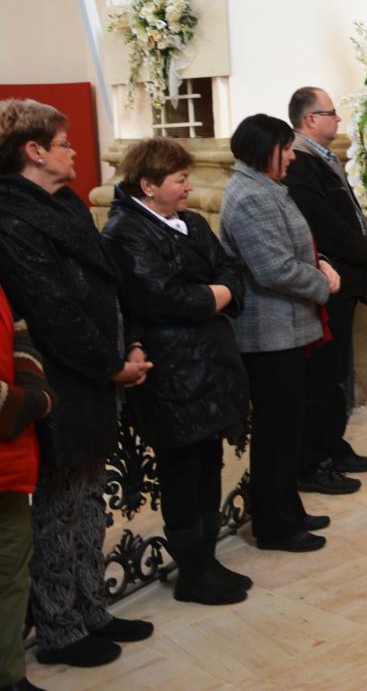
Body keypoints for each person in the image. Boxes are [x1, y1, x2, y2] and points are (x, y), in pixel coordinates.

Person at [0, 99, 154, 667]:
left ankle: (91, 606)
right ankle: (60, 627)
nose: (74, 152)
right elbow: (52, 310)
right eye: (63, 143)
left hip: (95, 373)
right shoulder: (12, 217)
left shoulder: (63, 204)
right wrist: (109, 363)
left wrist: (128, 346)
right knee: (59, 507)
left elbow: (106, 287)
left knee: (88, 501)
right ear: (34, 151)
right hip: (63, 380)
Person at [100, 138, 252, 604]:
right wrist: (216, 295)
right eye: (180, 179)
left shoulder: (191, 222)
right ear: (148, 185)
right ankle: (193, 572)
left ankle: (207, 559)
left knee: (209, 463)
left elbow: (232, 269)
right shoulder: (125, 231)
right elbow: (159, 298)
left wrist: (215, 292)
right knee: (182, 471)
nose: (189, 187)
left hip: (209, 365)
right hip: (172, 373)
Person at [220, 114, 339, 552]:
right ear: (263, 149)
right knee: (276, 433)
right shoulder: (250, 196)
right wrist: (322, 283)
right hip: (269, 334)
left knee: (289, 428)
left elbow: (293, 248)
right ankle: (274, 526)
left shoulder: (265, 186)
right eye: (286, 148)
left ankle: (289, 509)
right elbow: (273, 268)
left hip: (286, 328)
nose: (292, 156)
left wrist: (320, 261)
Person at [283, 87, 367, 494]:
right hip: (330, 284)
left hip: (347, 277)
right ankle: (315, 459)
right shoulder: (300, 163)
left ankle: (333, 445)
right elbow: (325, 225)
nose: (339, 119)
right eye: (331, 113)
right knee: (323, 376)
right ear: (310, 119)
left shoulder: (322, 157)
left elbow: (350, 213)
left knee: (336, 373)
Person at [0, 286, 54, 691]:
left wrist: (33, 390)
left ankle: (10, 676)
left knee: (11, 575)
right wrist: (32, 403)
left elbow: (18, 333)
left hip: (9, 464)